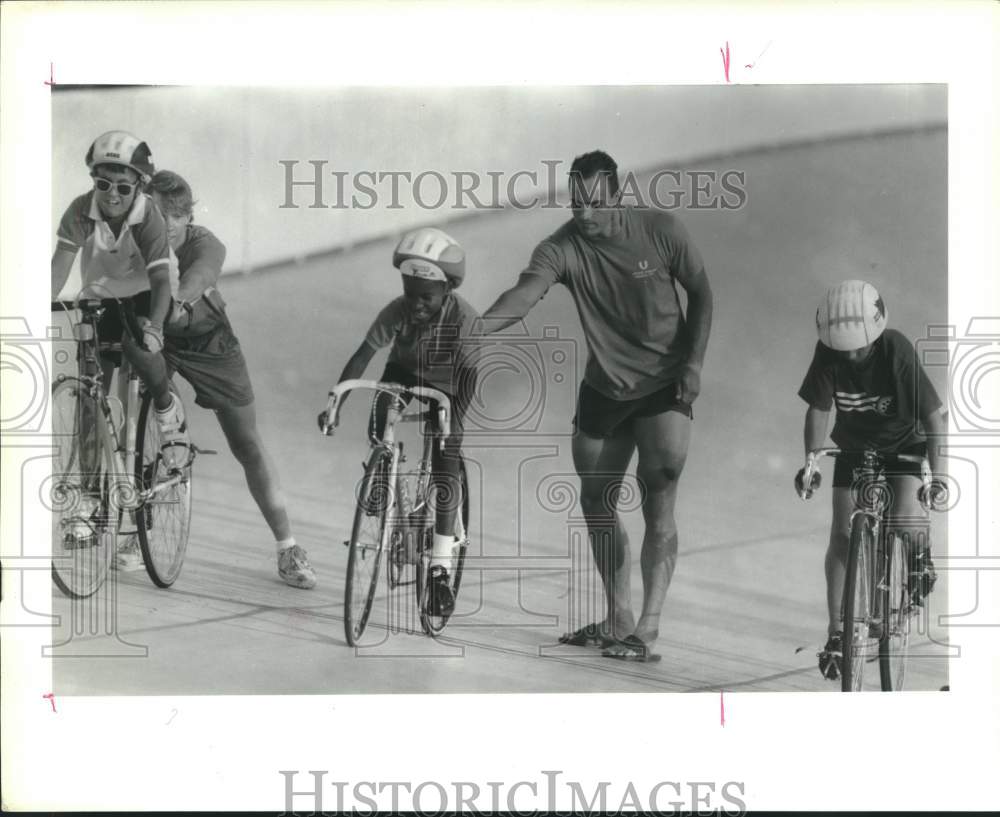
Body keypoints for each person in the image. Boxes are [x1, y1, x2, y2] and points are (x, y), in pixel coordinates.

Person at [478, 150, 714, 662]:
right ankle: (618, 616)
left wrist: (692, 365)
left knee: (660, 494)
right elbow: (525, 294)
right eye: (575, 201)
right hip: (604, 390)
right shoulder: (561, 248)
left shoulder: (660, 230)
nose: (582, 213)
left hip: (662, 386)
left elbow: (701, 293)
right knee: (595, 502)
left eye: (593, 202)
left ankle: (646, 628)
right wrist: (479, 330)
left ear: (617, 196)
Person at [133, 169, 316, 589]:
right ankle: (131, 531)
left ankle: (288, 547)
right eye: (159, 214)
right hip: (155, 338)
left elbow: (200, 276)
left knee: (246, 444)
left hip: (208, 340)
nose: (169, 223)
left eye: (177, 215)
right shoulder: (135, 240)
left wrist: (173, 300)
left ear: (186, 217)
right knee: (129, 423)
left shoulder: (205, 243)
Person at [319, 227, 479, 617]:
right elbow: (363, 356)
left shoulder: (465, 319)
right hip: (404, 371)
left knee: (446, 460)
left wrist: (454, 424)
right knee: (381, 410)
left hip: (449, 381)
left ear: (447, 291)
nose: (416, 305)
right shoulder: (396, 311)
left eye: (426, 297)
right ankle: (382, 472)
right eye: (410, 294)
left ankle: (440, 566)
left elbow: (471, 375)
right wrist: (336, 399)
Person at [795, 279, 948, 680]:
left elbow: (932, 417)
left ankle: (918, 558)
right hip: (853, 446)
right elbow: (818, 409)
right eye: (845, 350)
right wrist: (811, 461)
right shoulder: (828, 351)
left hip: (904, 444)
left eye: (860, 348)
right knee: (842, 535)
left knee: (904, 513)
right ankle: (836, 634)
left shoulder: (895, 348)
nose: (853, 355)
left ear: (877, 335)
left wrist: (939, 477)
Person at [51, 131, 191, 562]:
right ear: (94, 180)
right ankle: (92, 500)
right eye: (104, 183)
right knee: (91, 393)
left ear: (139, 188)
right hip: (103, 294)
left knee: (142, 347)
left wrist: (155, 328)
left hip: (151, 290)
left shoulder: (148, 217)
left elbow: (164, 280)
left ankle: (166, 409)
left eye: (124, 187)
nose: (112, 194)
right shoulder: (80, 210)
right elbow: (58, 268)